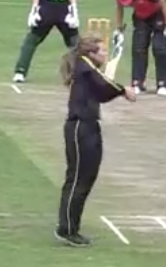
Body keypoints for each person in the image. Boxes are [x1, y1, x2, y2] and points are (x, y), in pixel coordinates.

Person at [55, 34, 136, 247]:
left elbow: (101, 93)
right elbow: (104, 85)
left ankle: (71, 226)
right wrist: (123, 90)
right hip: (80, 127)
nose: (105, 54)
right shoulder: (85, 67)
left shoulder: (87, 68)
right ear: (91, 53)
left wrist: (118, 91)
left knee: (86, 177)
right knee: (78, 179)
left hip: (88, 126)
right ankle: (67, 229)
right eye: (102, 51)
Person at [113, 0, 166, 95]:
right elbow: (119, 8)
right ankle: (137, 83)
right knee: (138, 48)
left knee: (160, 48)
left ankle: (163, 84)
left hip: (158, 14)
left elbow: (164, 4)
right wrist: (119, 29)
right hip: (141, 17)